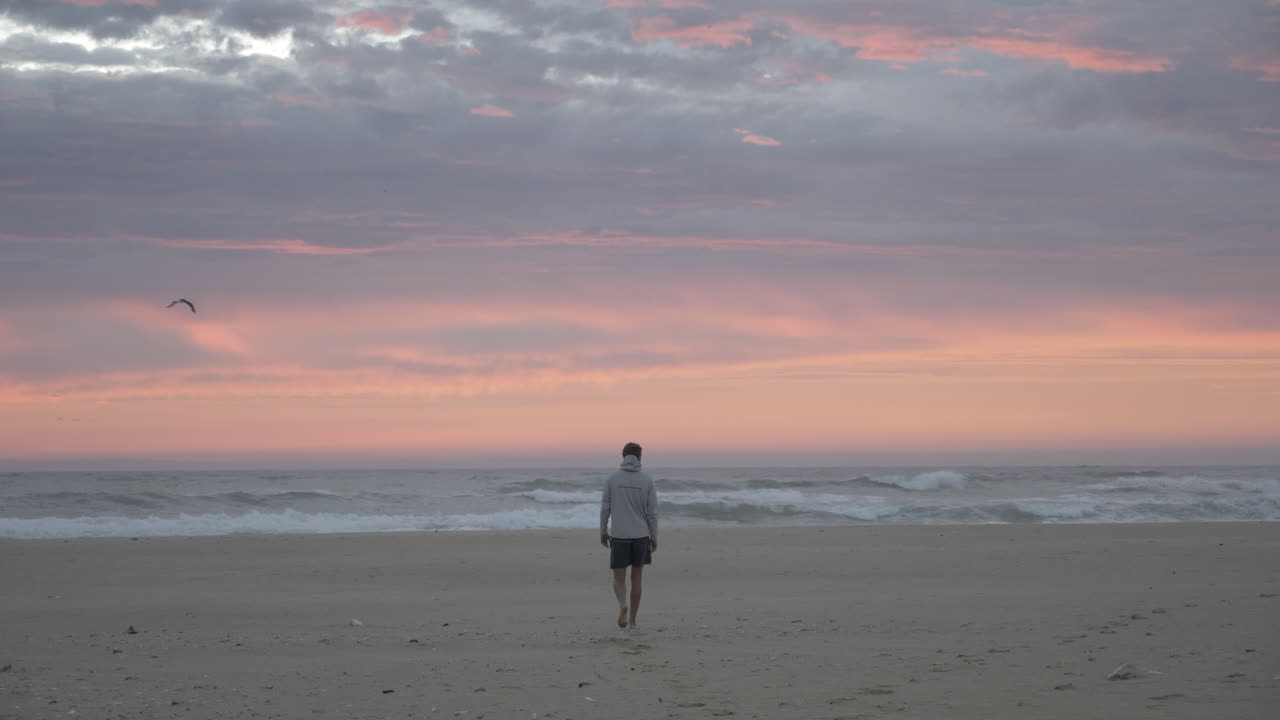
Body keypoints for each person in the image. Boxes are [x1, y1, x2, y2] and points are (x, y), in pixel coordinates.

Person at [599, 442, 658, 629]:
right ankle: (632, 621)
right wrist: (654, 536)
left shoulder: (612, 479)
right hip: (641, 535)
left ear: (623, 456)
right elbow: (652, 513)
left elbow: (605, 508)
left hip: (619, 535)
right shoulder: (647, 480)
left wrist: (603, 531)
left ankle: (622, 604)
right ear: (639, 457)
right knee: (637, 579)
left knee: (618, 578)